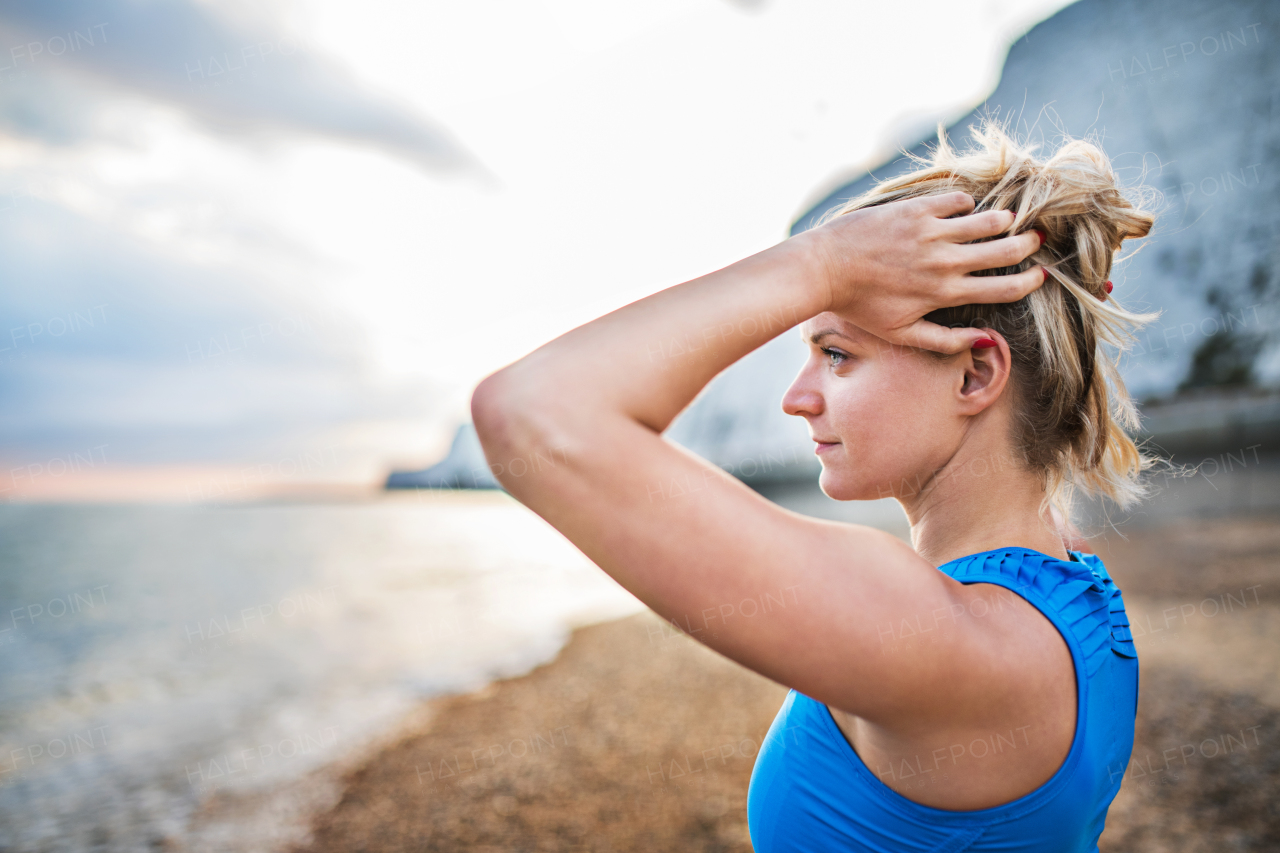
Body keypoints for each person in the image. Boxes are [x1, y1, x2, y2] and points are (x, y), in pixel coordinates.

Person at [471, 117, 1156, 852]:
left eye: (836, 353)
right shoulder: (1072, 583)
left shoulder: (938, 636)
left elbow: (531, 415)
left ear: (974, 373)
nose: (796, 397)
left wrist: (822, 264)